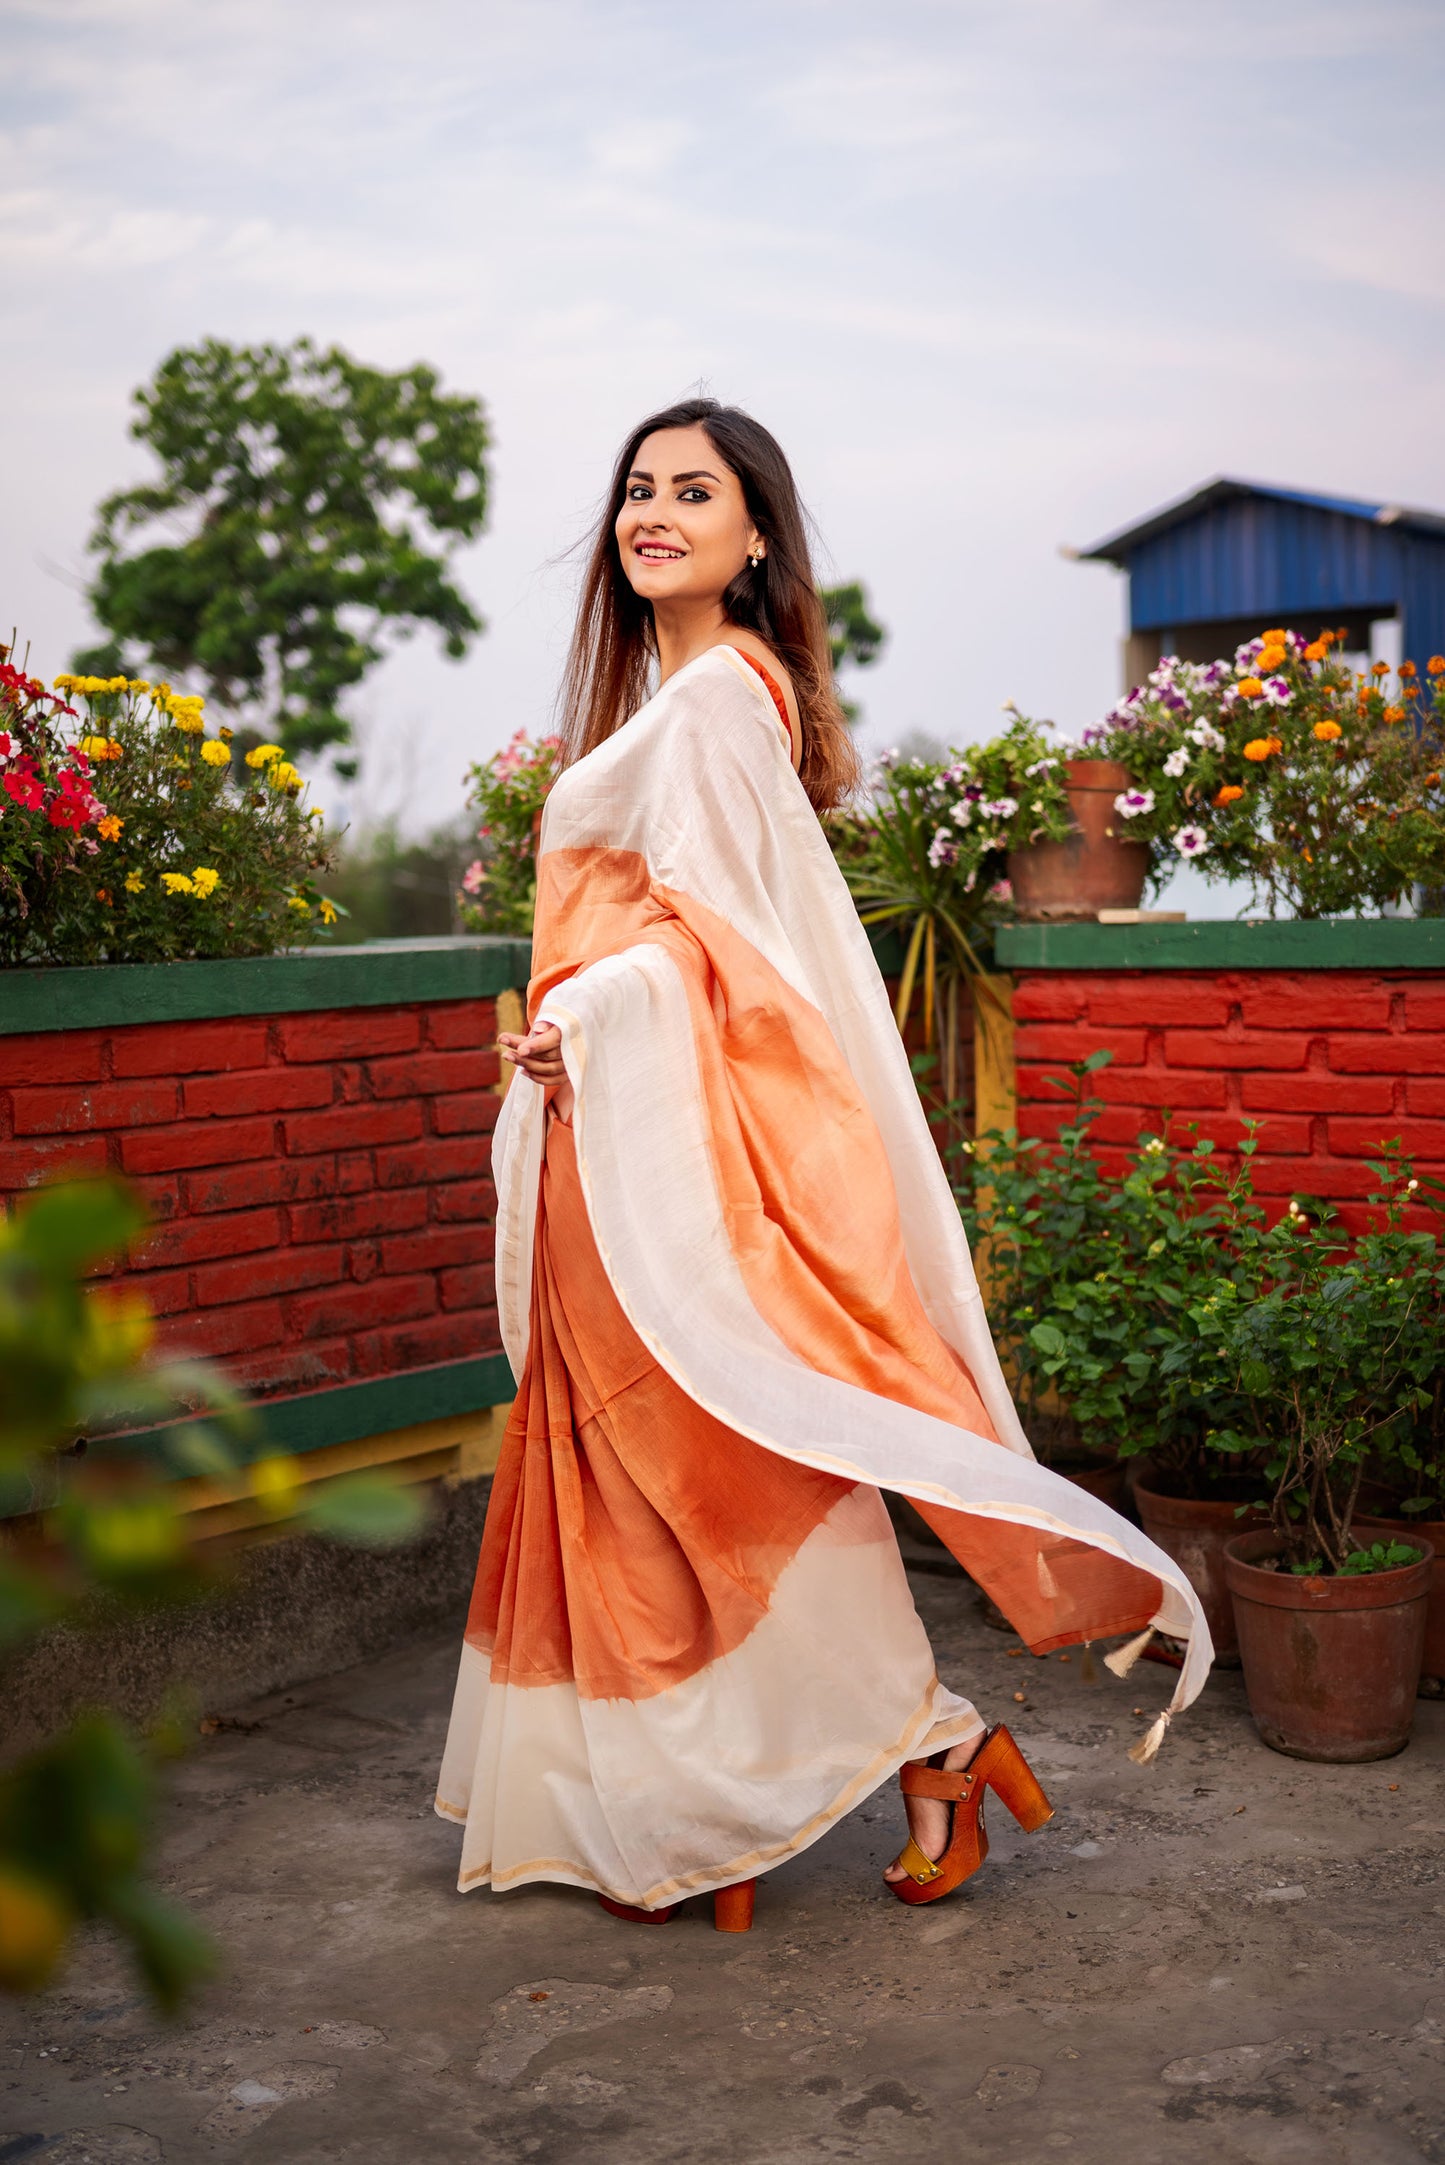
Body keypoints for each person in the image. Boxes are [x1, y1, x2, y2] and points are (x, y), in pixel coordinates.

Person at [435, 398, 1209, 1932]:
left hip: (650, 1148)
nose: (653, 513)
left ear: (754, 537)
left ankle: (914, 1744)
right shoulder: (675, 698)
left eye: (692, 491)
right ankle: (708, 1807)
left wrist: (592, 1009)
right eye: (638, 488)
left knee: (715, 1470)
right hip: (600, 1144)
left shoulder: (725, 694)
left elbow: (732, 955)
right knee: (635, 1481)